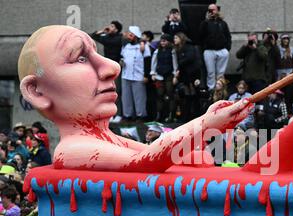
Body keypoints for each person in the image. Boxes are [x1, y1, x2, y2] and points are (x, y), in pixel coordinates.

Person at [18, 25, 252, 173]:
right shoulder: (72, 149)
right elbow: (144, 161)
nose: (112, 67)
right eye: (79, 58)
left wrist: (204, 129)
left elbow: (150, 153)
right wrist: (206, 124)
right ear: (37, 92)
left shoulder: (105, 138)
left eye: (96, 54)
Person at [198, 3, 232, 91]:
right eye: (210, 10)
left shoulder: (223, 23)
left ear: (217, 10)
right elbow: (200, 35)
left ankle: (220, 90)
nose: (212, 12)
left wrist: (227, 48)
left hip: (222, 50)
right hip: (209, 50)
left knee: (220, 73)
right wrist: (206, 20)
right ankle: (211, 90)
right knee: (211, 73)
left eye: (213, 9)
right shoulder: (205, 23)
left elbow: (228, 36)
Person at [121, 26, 151, 122]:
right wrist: (121, 62)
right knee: (126, 97)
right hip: (126, 75)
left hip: (138, 76)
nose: (129, 36)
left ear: (135, 36)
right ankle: (127, 115)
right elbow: (122, 57)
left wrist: (146, 75)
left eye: (131, 35)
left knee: (139, 98)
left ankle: (141, 115)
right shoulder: (126, 46)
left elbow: (147, 61)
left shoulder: (143, 47)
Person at [173, 32, 202, 122]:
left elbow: (190, 58)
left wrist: (180, 64)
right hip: (186, 75)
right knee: (187, 96)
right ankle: (187, 116)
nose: (174, 40)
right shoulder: (180, 48)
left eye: (176, 38)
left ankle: (191, 115)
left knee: (191, 96)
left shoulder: (188, 47)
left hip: (191, 75)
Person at [150, 34, 178, 122]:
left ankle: (171, 115)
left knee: (170, 95)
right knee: (159, 95)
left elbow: (175, 63)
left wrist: (175, 75)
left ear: (169, 42)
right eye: (161, 41)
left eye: (164, 41)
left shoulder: (172, 51)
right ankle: (159, 115)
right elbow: (154, 62)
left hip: (169, 75)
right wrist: (153, 73)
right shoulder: (157, 51)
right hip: (159, 76)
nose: (162, 42)